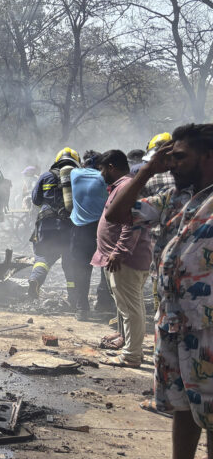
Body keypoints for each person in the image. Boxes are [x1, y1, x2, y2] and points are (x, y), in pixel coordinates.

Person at [105, 124, 213, 459]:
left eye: (179, 156)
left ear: (208, 157)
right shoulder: (176, 197)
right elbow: (116, 214)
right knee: (184, 407)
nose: (173, 162)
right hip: (174, 321)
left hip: (207, 325)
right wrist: (148, 169)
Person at [91, 150, 153, 368]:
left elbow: (132, 223)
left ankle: (132, 356)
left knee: (131, 309)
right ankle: (130, 347)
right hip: (122, 259)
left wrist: (119, 251)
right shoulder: (122, 186)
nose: (100, 174)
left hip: (125, 260)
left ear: (111, 167)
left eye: (101, 169)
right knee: (130, 307)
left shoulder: (126, 187)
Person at [68, 150, 117, 321]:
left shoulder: (74, 174)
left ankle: (82, 308)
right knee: (106, 266)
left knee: (81, 268)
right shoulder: (103, 179)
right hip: (103, 228)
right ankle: (103, 302)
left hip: (80, 229)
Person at [27, 148, 80, 301]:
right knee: (70, 261)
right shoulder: (78, 177)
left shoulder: (45, 176)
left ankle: (35, 279)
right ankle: (73, 296)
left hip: (46, 226)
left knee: (43, 257)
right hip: (69, 227)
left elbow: (36, 200)